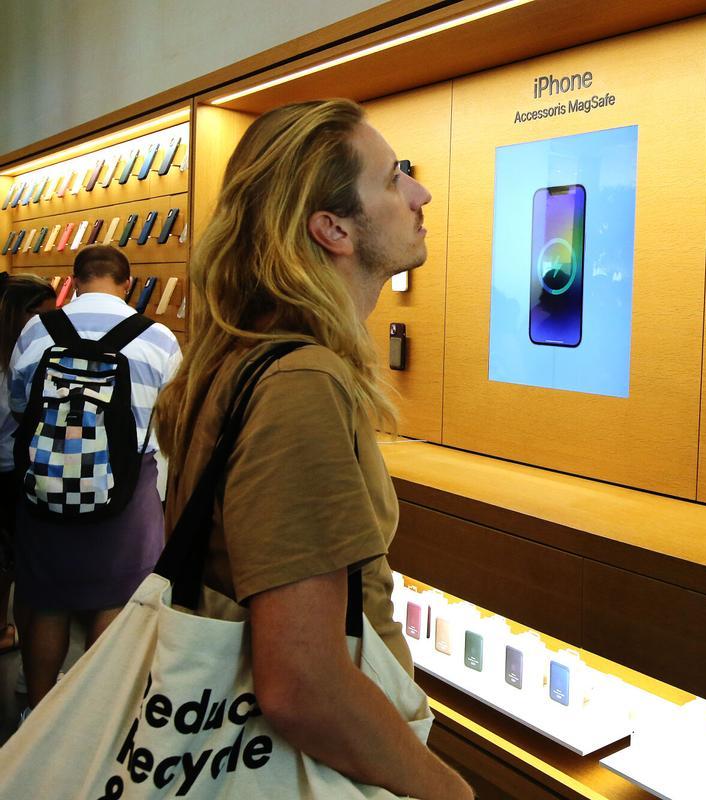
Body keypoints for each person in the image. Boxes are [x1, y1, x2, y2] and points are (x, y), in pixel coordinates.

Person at [154, 99, 473, 799]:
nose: (419, 194)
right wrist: (449, 791)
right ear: (332, 228)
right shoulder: (301, 380)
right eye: (393, 179)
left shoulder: (244, 356)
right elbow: (303, 684)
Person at [7, 246, 181, 712]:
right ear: (127, 283)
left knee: (46, 600)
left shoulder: (37, 329)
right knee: (116, 599)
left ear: (74, 280)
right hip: (128, 487)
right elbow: (169, 418)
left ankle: (38, 712)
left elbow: (20, 405)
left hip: (45, 477)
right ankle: (97, 715)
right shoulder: (158, 337)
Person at [0, 273, 57, 661]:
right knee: (25, 570)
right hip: (13, 474)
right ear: (28, 314)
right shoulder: (23, 363)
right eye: (48, 314)